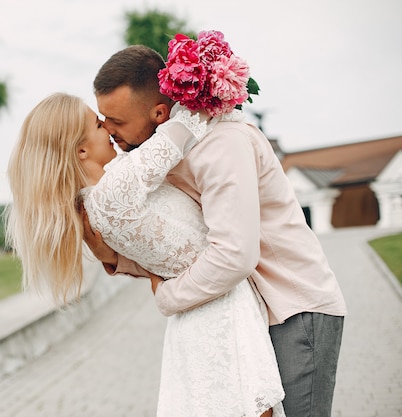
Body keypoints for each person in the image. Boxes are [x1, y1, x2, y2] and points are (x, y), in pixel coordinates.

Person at [86, 32, 347, 417]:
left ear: (159, 113)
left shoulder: (222, 144)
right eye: (103, 118)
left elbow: (234, 256)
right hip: (259, 309)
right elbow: (185, 236)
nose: (108, 129)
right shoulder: (170, 150)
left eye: (117, 120)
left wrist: (169, 297)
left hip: (294, 308)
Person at [6, 91, 285, 416]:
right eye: (99, 124)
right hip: (222, 309)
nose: (109, 129)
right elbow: (184, 125)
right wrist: (202, 79)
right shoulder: (115, 191)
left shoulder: (94, 208)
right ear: (81, 150)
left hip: (197, 316)